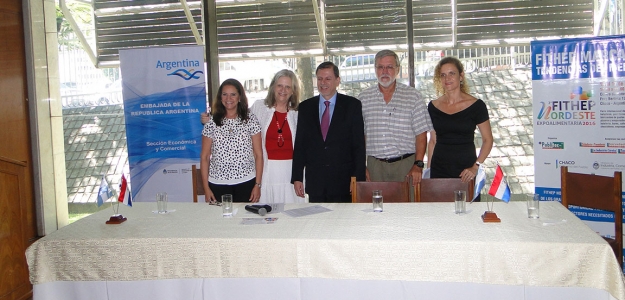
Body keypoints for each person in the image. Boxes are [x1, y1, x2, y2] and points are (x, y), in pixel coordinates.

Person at [291, 62, 366, 203]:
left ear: (337, 80)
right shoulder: (306, 107)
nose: (323, 83)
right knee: (317, 222)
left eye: (328, 78)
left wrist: (357, 178)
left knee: (342, 222)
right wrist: (297, 177)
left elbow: (359, 146)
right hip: (316, 182)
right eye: (319, 79)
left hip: (344, 181)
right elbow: (300, 144)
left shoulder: (352, 105)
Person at [357, 49, 432, 188]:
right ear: (375, 69)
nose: (384, 71)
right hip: (375, 167)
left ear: (397, 69)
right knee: (375, 207)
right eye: (380, 67)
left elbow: (421, 134)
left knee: (407, 208)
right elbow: (360, 137)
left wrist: (418, 164)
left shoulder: (413, 96)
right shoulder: (363, 99)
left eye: (389, 67)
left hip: (406, 166)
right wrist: (361, 166)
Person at [427, 56, 493, 194]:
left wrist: (476, 167)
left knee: (468, 212)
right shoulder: (432, 106)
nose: (447, 78)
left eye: (452, 73)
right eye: (443, 75)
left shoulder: (477, 106)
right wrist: (428, 174)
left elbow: (488, 140)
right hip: (439, 170)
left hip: (466, 170)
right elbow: (433, 141)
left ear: (461, 76)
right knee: (439, 212)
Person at [200, 79, 263, 203]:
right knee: (219, 221)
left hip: (246, 182)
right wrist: (206, 188)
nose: (228, 98)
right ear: (220, 97)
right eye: (224, 94)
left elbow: (258, 155)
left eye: (233, 94)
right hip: (217, 183)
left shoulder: (250, 120)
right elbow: (205, 157)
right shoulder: (211, 122)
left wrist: (258, 185)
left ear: (240, 97)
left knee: (244, 220)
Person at [249, 69, 303, 203]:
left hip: (291, 172)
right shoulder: (259, 107)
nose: (283, 90)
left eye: (287, 87)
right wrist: (212, 119)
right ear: (273, 87)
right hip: (266, 170)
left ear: (293, 91)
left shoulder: (299, 112)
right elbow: (238, 121)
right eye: (279, 85)